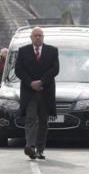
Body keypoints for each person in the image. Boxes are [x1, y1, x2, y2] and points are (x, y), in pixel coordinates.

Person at [15, 27, 59, 160]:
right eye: (35, 35)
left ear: (43, 37)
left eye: (40, 35)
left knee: (43, 122)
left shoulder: (52, 51)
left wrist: (41, 82)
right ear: (31, 38)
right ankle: (30, 146)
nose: (38, 37)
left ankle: (40, 149)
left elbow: (55, 69)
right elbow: (18, 70)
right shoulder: (23, 51)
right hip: (29, 93)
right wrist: (31, 83)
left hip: (46, 92)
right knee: (31, 118)